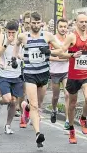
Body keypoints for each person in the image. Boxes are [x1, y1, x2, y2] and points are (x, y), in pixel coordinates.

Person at [13, 11, 64, 147]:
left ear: (41, 22)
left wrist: (49, 51)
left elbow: (61, 50)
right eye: (33, 23)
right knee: (35, 106)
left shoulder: (47, 36)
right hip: (30, 74)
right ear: (29, 23)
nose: (35, 25)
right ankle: (38, 134)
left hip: (43, 74)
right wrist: (15, 56)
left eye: (38, 23)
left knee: (38, 104)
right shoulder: (23, 36)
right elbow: (16, 44)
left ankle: (26, 107)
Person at [61, 13, 87, 144]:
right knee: (72, 104)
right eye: (81, 22)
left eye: (85, 21)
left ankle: (83, 119)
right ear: (76, 22)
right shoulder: (71, 37)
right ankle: (71, 130)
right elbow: (61, 53)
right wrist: (72, 55)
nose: (84, 24)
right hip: (73, 76)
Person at [0, 20, 24, 134]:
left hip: (16, 75)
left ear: (17, 31)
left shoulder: (21, 39)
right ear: (6, 31)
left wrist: (21, 56)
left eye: (13, 33)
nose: (11, 35)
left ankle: (8, 125)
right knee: (7, 99)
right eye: (9, 32)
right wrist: (7, 42)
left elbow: (24, 52)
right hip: (4, 74)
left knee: (13, 102)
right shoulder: (2, 37)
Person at [49, 18, 70, 129]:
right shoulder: (52, 40)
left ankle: (67, 120)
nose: (63, 29)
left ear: (67, 28)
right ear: (57, 27)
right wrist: (61, 59)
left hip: (66, 71)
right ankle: (54, 110)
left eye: (65, 27)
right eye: (61, 27)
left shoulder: (70, 39)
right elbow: (48, 57)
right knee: (55, 96)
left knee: (67, 94)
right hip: (55, 72)